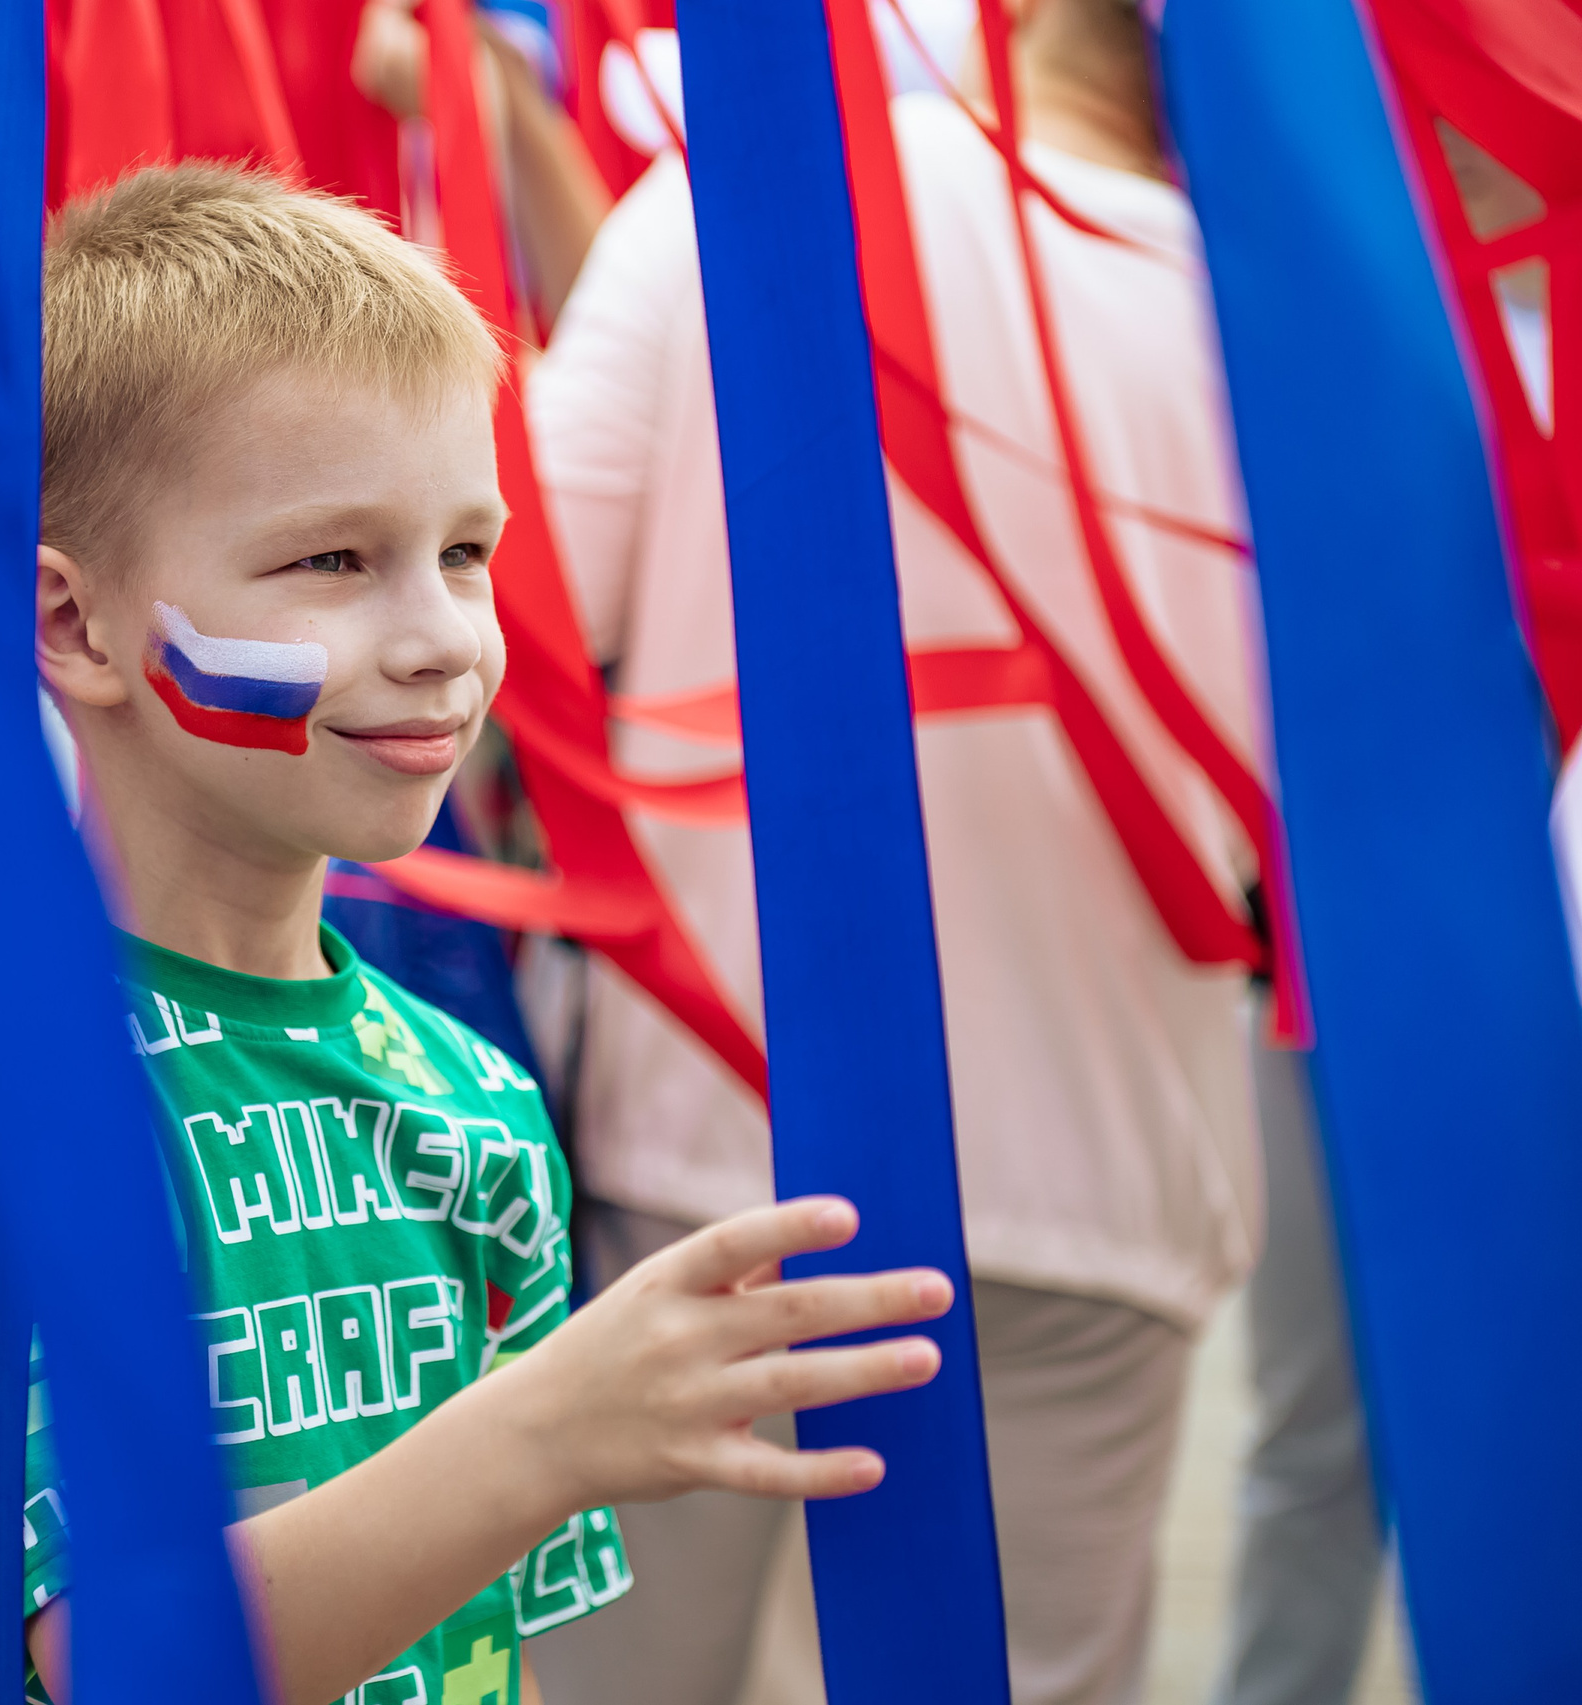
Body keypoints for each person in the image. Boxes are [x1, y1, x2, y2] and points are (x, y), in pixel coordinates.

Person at [0, 165, 958, 1705]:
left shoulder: (472, 1100)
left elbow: (484, 1647)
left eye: (468, 551)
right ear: (78, 627)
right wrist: (550, 1427)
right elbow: (114, 1660)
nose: (438, 640)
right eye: (334, 561)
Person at [520, 2, 1266, 1702]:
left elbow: (526, 603)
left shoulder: (739, 199)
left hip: (724, 1147)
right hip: (1103, 1181)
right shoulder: (1302, 340)